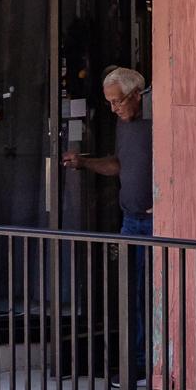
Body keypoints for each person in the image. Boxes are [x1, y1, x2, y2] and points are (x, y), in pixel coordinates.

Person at [63, 66, 152, 374]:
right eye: (110, 103)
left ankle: (146, 363)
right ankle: (137, 360)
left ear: (137, 95)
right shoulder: (123, 125)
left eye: (118, 101)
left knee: (149, 291)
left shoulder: (157, 122)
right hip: (131, 219)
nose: (114, 109)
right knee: (132, 291)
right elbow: (117, 165)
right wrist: (83, 164)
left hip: (155, 222)